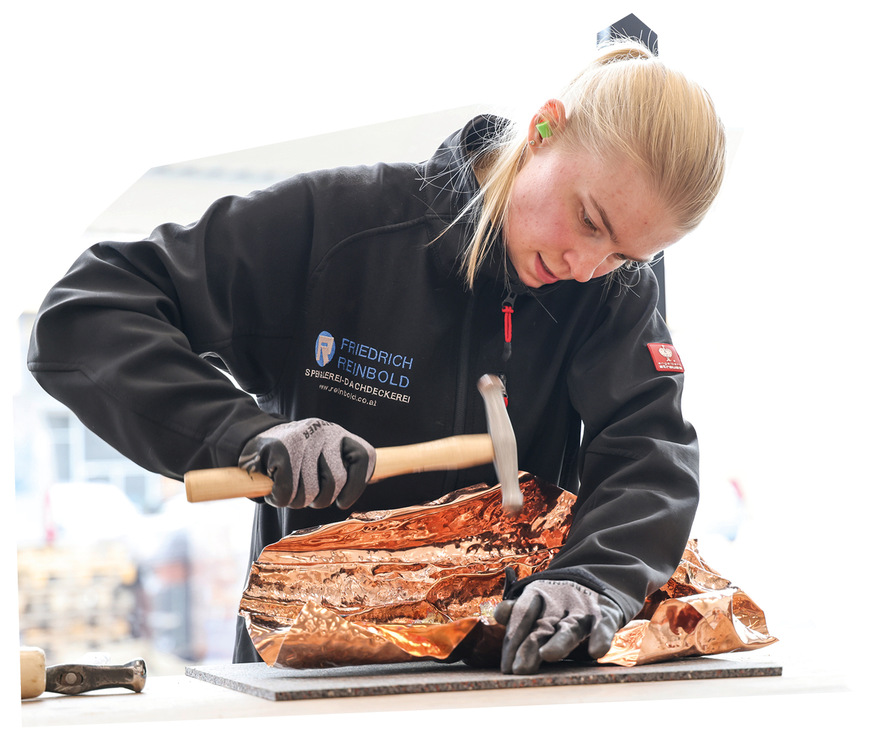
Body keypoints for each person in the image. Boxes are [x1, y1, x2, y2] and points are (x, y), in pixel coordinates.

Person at [26, 40, 725, 675]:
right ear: (544, 129)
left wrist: (594, 579)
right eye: (589, 220)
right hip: (316, 676)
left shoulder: (608, 295)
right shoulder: (339, 227)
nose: (584, 265)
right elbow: (85, 314)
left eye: (624, 255)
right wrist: (242, 435)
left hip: (510, 675)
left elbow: (649, 449)